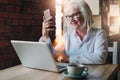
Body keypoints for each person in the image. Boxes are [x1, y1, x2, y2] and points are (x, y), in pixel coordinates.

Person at [39, 0, 108, 64]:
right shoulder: (67, 36)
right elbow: (55, 54)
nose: (71, 20)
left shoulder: (99, 34)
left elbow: (100, 58)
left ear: (85, 14)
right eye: (68, 16)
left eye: (74, 15)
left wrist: (69, 59)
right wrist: (45, 36)